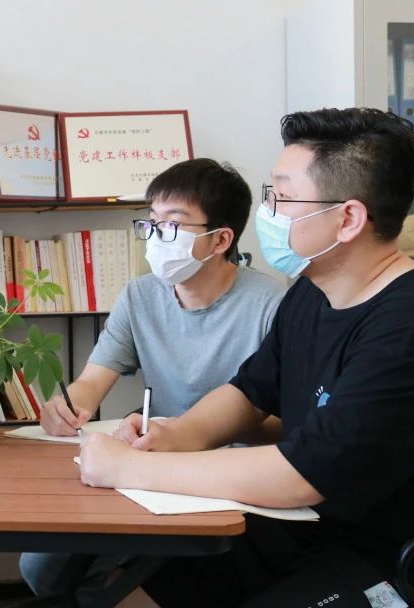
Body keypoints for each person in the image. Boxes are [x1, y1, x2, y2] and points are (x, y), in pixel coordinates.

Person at [80, 108, 414, 607]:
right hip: (315, 529)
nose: (269, 212)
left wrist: (128, 469)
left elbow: (299, 475)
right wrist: (174, 435)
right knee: (128, 587)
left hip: (409, 563)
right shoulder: (312, 292)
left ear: (348, 219)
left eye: (281, 197)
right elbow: (249, 393)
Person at [20, 158, 286, 604]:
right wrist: (65, 407)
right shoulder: (140, 296)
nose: (158, 236)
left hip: (233, 476)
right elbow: (91, 383)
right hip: (149, 466)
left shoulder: (274, 304)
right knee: (44, 569)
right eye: (152, 222)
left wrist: (194, 430)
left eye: (173, 224)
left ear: (221, 239)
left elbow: (289, 426)